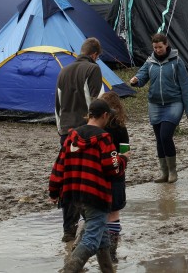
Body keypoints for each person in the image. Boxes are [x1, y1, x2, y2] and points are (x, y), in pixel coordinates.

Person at [49, 99, 128, 273]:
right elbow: (112, 169)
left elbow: (58, 166)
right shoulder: (104, 139)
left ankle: (108, 270)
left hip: (73, 196)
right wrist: (123, 159)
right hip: (96, 196)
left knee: (102, 239)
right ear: (105, 116)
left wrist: (54, 191)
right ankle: (68, 270)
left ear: (90, 115)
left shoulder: (71, 137)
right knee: (92, 241)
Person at [54, 37, 103, 242]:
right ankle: (93, 224)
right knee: (89, 177)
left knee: (69, 179)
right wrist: (101, 131)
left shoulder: (63, 71)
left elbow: (57, 104)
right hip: (86, 130)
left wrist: (61, 130)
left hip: (66, 131)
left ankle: (69, 230)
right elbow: (97, 102)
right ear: (95, 55)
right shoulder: (93, 70)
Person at [129, 33, 188, 185]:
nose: (157, 50)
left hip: (174, 103)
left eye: (160, 47)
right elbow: (142, 75)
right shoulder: (150, 61)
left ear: (166, 45)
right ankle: (164, 172)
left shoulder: (177, 61)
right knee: (159, 139)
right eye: (155, 47)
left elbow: (185, 85)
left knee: (165, 135)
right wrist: (136, 80)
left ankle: (173, 171)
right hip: (155, 104)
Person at [98, 91, 128, 264]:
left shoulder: (94, 126)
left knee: (93, 214)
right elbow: (125, 150)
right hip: (116, 172)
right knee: (114, 212)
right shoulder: (120, 127)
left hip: (96, 174)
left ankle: (82, 246)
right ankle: (112, 253)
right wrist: (122, 162)